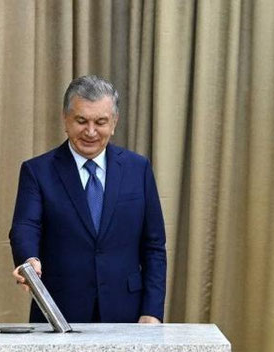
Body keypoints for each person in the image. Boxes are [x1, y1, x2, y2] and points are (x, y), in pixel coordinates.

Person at [9, 75, 166, 323]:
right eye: (81, 121)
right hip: (59, 314)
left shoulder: (138, 169)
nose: (90, 132)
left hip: (127, 314)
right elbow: (25, 226)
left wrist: (152, 312)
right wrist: (29, 261)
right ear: (66, 119)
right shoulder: (37, 171)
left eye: (100, 122)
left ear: (114, 123)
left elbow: (154, 247)